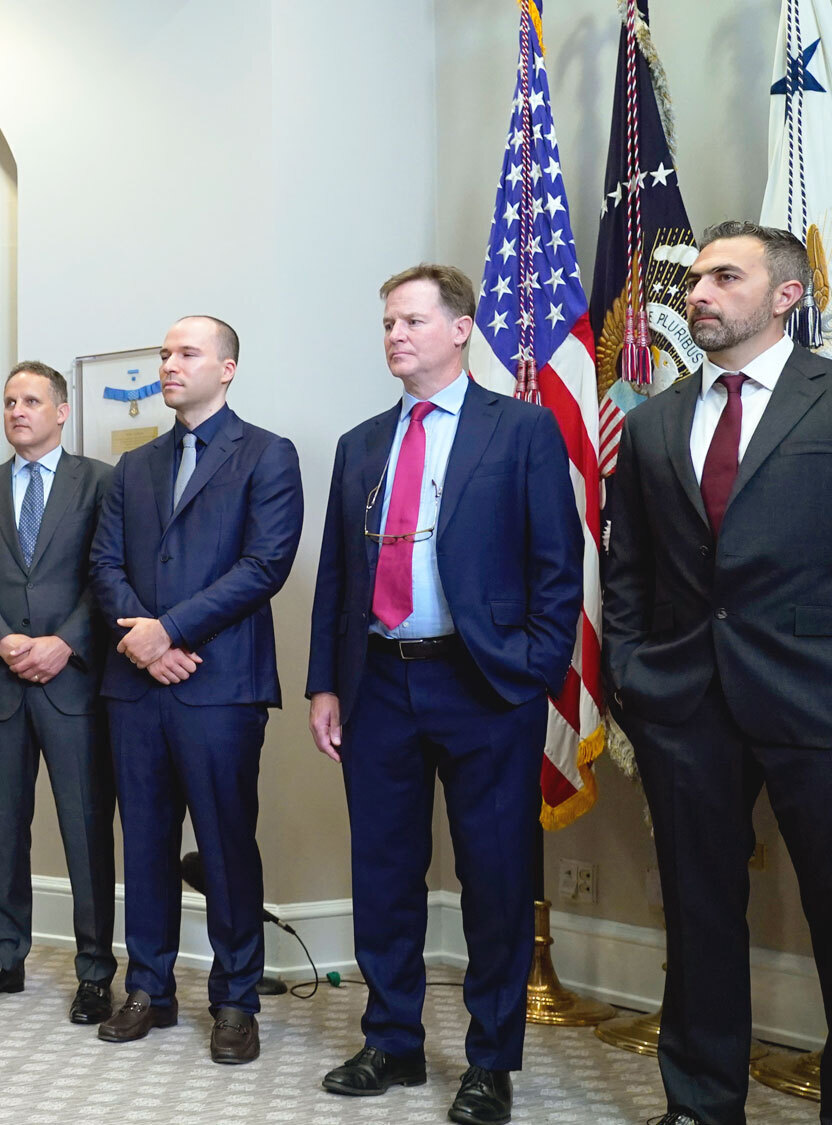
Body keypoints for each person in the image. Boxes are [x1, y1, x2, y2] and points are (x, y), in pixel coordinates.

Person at [305, 264, 581, 1125]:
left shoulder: (523, 432)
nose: (395, 335)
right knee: (383, 870)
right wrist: (325, 683)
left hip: (483, 682)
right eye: (388, 322)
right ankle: (392, 1039)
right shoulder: (360, 444)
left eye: (413, 320)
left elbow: (557, 568)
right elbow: (336, 576)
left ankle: (491, 1060)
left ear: (461, 329)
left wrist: (531, 670)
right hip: (379, 679)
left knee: (493, 875)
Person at [603, 220, 832, 1125]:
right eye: (693, 279)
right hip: (684, 701)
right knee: (698, 917)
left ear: (786, 294)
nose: (695, 293)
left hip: (815, 700)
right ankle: (701, 1104)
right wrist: (627, 668)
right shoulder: (654, 418)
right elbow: (630, 569)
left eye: (723, 277)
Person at [87, 315, 302, 1062]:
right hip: (137, 688)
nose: (168, 364)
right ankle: (149, 987)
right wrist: (145, 645)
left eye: (186, 353)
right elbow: (104, 565)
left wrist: (167, 631)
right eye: (164, 353)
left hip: (222, 687)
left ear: (228, 367)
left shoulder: (268, 455)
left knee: (224, 846)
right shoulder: (133, 468)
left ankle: (236, 998)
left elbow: (264, 565)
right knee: (144, 843)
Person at [0, 360, 118, 1024]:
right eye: (10, 401)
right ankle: (6, 954)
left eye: (32, 400)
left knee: (84, 829)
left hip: (71, 683)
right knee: (5, 828)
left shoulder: (98, 482)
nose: (18, 410)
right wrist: (5, 641)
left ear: (62, 410)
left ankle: (96, 969)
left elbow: (105, 575)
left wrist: (64, 642)